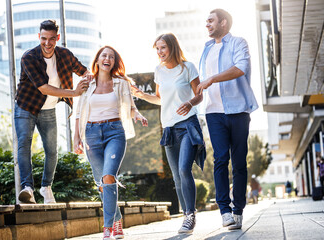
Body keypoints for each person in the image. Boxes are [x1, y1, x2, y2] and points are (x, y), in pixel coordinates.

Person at [132, 33, 205, 234]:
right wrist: (140, 94)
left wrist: (190, 102)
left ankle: (190, 215)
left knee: (184, 169)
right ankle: (186, 217)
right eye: (157, 48)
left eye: (163, 47)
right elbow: (159, 98)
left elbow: (199, 95)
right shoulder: (159, 71)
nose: (160, 52)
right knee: (176, 176)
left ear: (172, 47)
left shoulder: (188, 67)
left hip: (188, 124)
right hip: (169, 128)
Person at [74, 45, 148, 240]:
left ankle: (107, 229)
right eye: (104, 55)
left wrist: (138, 115)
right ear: (97, 60)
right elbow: (78, 113)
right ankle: (116, 220)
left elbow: (131, 107)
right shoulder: (86, 84)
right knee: (102, 184)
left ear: (114, 62)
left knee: (108, 177)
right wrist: (76, 139)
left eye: (112, 57)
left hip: (115, 132)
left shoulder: (121, 83)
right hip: (90, 134)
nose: (108, 59)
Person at [14, 20, 89, 204]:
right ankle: (27, 188)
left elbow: (84, 71)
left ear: (58, 38)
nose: (47, 43)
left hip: (48, 110)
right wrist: (74, 92)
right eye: (43, 39)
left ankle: (46, 187)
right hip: (26, 107)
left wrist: (96, 79)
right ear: (39, 37)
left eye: (51, 39)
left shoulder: (64, 55)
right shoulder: (29, 57)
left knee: (52, 151)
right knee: (24, 144)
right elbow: (43, 88)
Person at [197, 9, 258, 230]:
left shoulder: (238, 43)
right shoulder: (206, 49)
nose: (207, 24)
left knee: (239, 162)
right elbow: (202, 81)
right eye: (206, 21)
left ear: (223, 22)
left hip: (238, 110)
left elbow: (241, 68)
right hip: (213, 112)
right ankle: (224, 211)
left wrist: (213, 78)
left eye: (211, 20)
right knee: (221, 159)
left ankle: (238, 210)